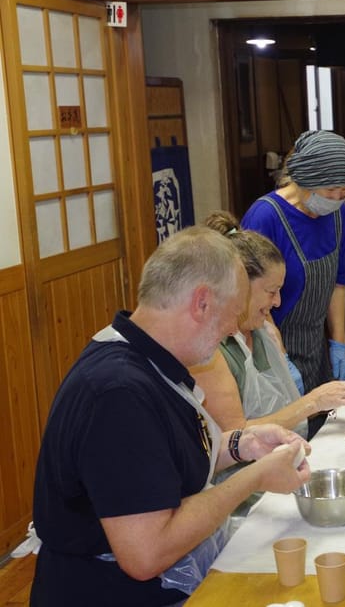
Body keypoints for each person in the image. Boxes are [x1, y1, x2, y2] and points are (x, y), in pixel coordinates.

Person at [31, 226, 311, 607]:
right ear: (201, 303)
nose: (232, 329)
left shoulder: (143, 352)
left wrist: (241, 446)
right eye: (232, 314)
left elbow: (162, 462)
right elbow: (146, 555)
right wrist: (254, 477)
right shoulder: (118, 393)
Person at [196, 211, 345, 440]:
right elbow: (235, 437)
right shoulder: (210, 352)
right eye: (271, 292)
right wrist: (313, 401)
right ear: (239, 285)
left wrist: (335, 397)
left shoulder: (264, 333)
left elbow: (283, 409)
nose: (277, 302)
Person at [242, 130, 345, 435]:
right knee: (284, 437)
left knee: (324, 433)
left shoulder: (338, 214)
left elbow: (339, 282)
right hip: (271, 347)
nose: (337, 198)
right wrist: (281, 360)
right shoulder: (265, 217)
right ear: (305, 179)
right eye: (331, 189)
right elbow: (251, 298)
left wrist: (338, 343)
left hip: (316, 346)